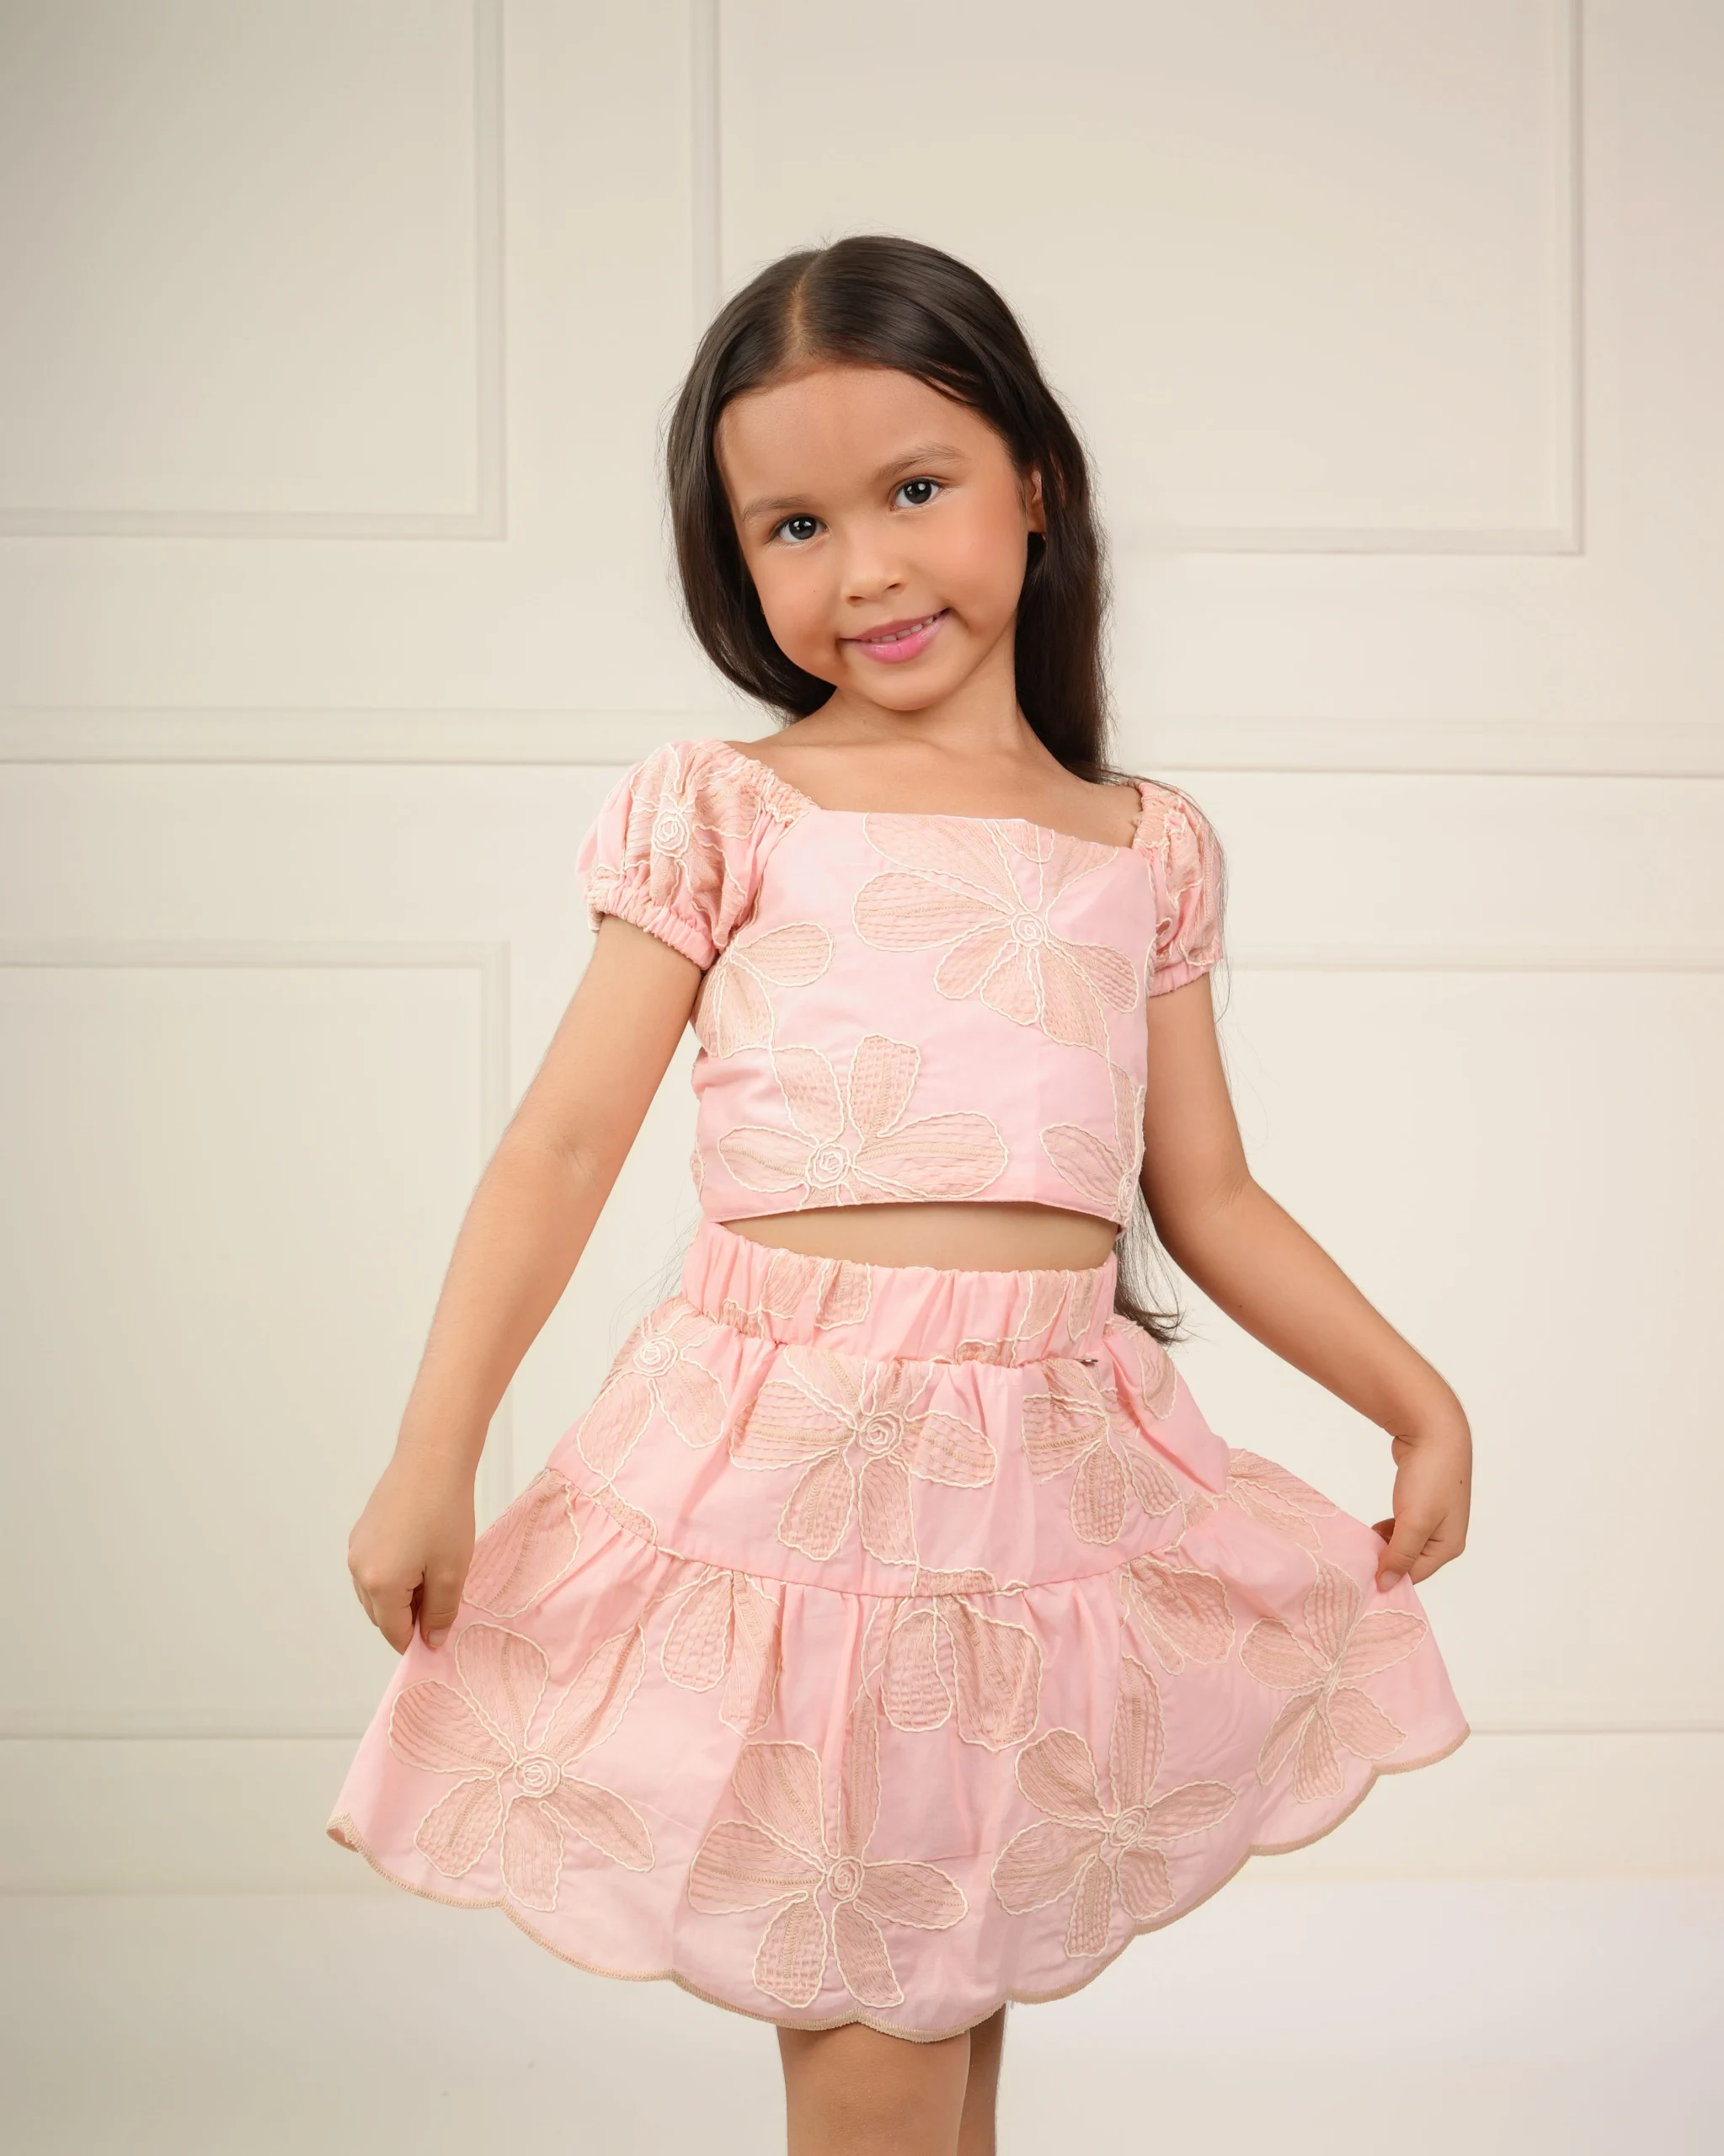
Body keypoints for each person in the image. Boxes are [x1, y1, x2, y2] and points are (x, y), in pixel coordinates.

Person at [329, 235, 1471, 2156]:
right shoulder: (728, 808)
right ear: (734, 559)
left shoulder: (1141, 847)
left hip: (1036, 1489)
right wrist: (431, 1452)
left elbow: (1207, 1190)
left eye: (914, 489)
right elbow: (560, 1148)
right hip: (798, 1482)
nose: (862, 568)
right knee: (880, 2018)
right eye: (794, 525)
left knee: (947, 2037)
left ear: (1037, 482)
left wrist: (1413, 1396)